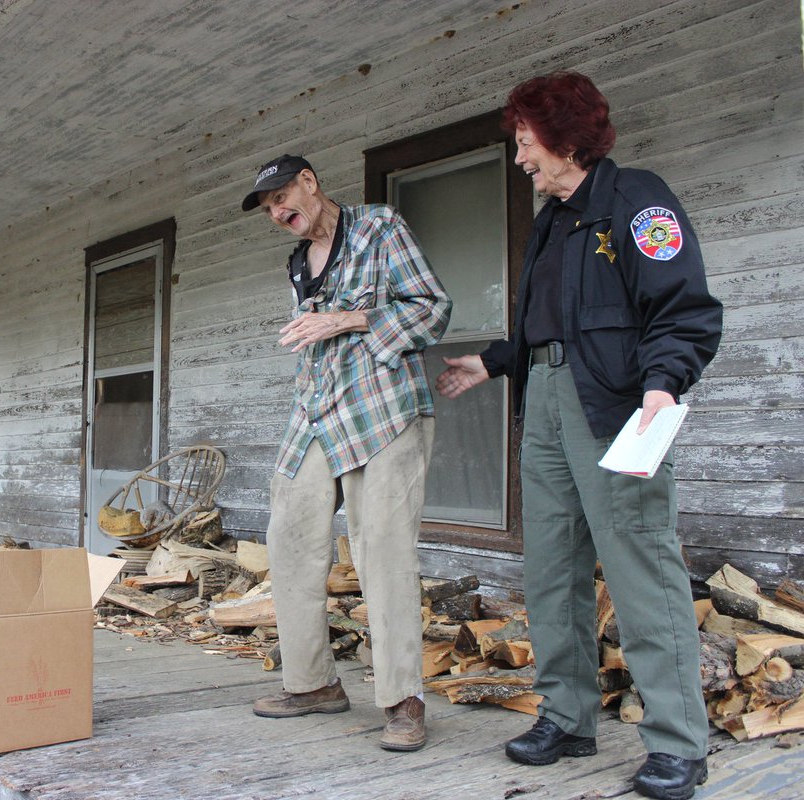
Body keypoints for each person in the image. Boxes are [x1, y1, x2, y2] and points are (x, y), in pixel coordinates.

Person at [435, 72, 722, 799]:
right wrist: (495, 361)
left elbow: (684, 310)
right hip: (547, 405)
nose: (519, 158)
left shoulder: (638, 201)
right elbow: (554, 323)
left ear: (564, 139)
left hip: (617, 411)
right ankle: (567, 719)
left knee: (641, 571)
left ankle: (679, 743)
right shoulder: (552, 221)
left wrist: (663, 386)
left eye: (525, 142)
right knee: (552, 571)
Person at [240, 155, 451, 751]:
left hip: (382, 409)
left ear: (310, 182)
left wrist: (345, 320)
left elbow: (432, 309)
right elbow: (315, 336)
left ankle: (403, 700)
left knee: (382, 549)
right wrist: (314, 331)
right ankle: (312, 685)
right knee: (289, 536)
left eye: (284, 197)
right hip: (316, 410)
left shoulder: (380, 228)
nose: (279, 212)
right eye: (269, 209)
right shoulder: (296, 263)